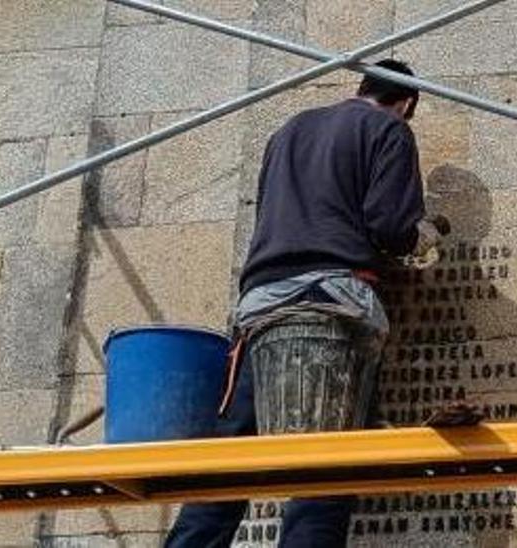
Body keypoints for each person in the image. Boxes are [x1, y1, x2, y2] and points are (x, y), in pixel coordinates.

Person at [165, 59, 448, 548]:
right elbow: (388, 225)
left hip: (261, 312)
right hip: (332, 308)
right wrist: (420, 235)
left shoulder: (288, 131)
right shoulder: (389, 129)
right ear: (405, 103)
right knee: (326, 466)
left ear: (360, 87)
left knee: (227, 463)